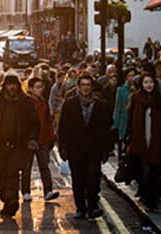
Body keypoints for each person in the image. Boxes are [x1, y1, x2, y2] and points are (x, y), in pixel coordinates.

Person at [0, 71, 39, 217]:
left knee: (13, 173)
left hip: (18, 143)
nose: (12, 87)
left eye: (14, 84)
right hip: (0, 143)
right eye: (9, 84)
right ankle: (5, 197)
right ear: (4, 86)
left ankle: (12, 200)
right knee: (2, 170)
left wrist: (32, 138)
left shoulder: (26, 102)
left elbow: (34, 122)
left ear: (18, 86)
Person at [58, 74, 111, 219]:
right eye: (83, 85)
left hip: (94, 149)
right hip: (76, 148)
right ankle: (81, 208)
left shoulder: (100, 105)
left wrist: (106, 149)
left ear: (92, 87)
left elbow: (105, 128)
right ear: (78, 87)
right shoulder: (70, 104)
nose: (86, 87)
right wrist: (63, 147)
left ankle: (93, 207)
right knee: (78, 179)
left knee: (93, 178)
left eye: (88, 85)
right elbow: (63, 127)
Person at [126, 72, 161, 211]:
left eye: (151, 82)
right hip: (142, 140)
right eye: (146, 82)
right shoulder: (138, 99)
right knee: (146, 172)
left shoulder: (159, 99)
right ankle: (149, 201)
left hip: (156, 141)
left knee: (155, 172)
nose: (149, 85)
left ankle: (151, 198)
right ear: (141, 85)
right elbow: (132, 121)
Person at [25, 77, 60, 202]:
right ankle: (25, 192)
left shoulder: (44, 103)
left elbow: (48, 122)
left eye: (41, 87)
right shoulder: (26, 102)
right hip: (29, 140)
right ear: (31, 89)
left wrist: (51, 137)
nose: (40, 90)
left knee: (44, 166)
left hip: (43, 138)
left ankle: (48, 191)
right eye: (37, 87)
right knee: (26, 167)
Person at [113, 68, 136, 153]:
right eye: (129, 76)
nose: (132, 78)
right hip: (124, 118)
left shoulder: (139, 90)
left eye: (133, 75)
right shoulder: (121, 90)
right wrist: (115, 123)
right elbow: (118, 106)